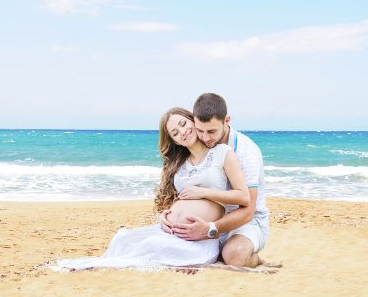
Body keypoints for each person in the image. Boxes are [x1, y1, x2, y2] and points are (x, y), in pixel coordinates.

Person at [53, 107, 249, 271]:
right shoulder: (179, 165)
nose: (182, 132)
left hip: (199, 238)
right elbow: (178, 201)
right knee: (123, 240)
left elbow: (243, 197)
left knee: (150, 247)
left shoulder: (222, 153)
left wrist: (203, 192)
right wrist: (163, 216)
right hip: (170, 231)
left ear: (193, 121)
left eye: (183, 124)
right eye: (175, 132)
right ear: (174, 141)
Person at [161, 93, 270, 268]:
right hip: (210, 223)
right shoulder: (199, 150)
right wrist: (166, 215)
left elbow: (248, 210)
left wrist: (210, 230)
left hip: (246, 222)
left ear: (226, 120)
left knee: (234, 255)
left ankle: (255, 259)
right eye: (200, 130)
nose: (205, 138)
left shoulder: (246, 151)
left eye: (211, 131)